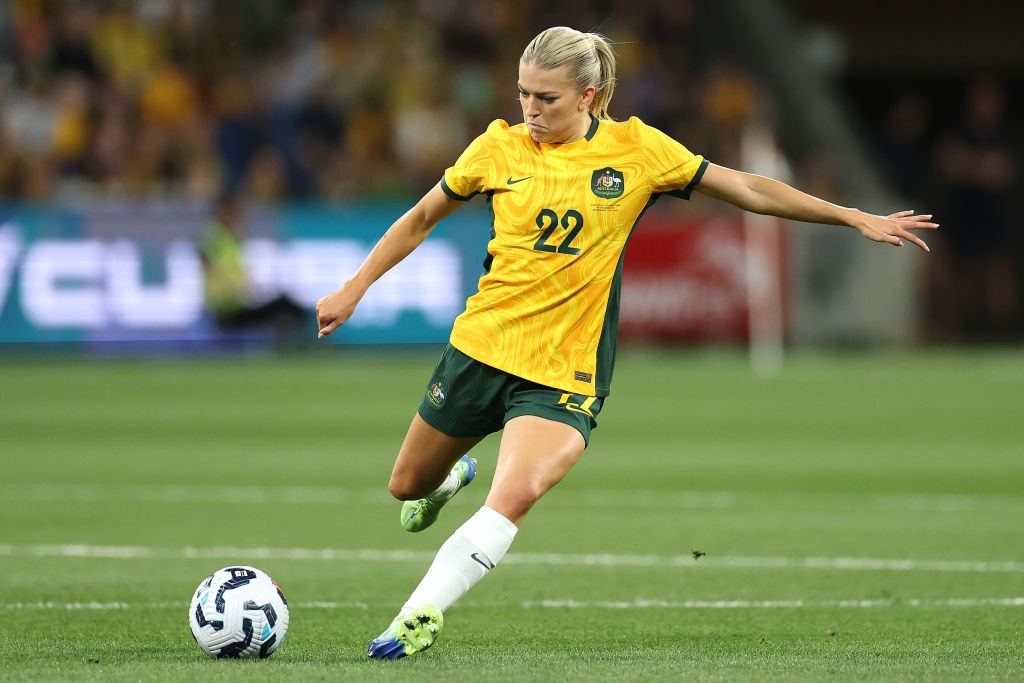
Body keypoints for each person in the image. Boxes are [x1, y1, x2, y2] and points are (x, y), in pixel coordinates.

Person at [314, 26, 937, 660]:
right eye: (523, 93)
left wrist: (852, 215)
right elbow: (420, 218)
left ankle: (420, 612)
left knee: (518, 493)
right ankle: (447, 484)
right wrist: (354, 287)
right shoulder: (495, 150)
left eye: (546, 99)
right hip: (480, 349)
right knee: (407, 487)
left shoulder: (636, 152)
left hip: (565, 371)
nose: (529, 110)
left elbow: (746, 187)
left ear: (589, 95)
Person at [200, 192, 308, 345]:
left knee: (285, 303)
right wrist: (242, 288)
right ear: (223, 213)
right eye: (234, 213)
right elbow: (215, 278)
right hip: (227, 309)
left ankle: (290, 343)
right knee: (284, 305)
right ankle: (299, 345)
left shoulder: (231, 240)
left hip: (238, 303)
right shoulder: (212, 241)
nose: (239, 218)